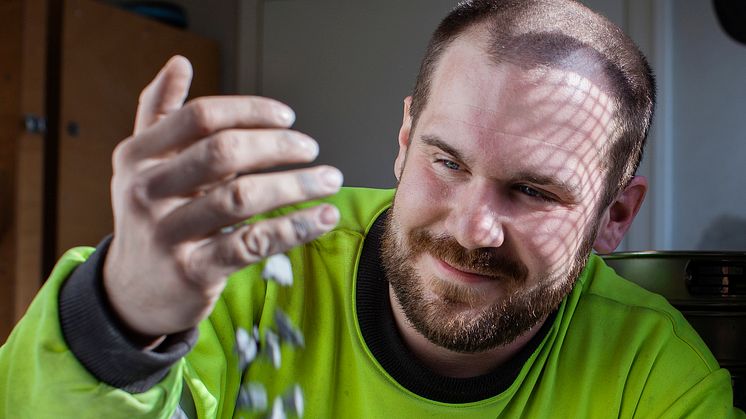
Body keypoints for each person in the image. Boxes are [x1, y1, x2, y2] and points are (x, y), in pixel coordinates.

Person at [1, 0, 743, 417]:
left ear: (616, 216)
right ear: (403, 140)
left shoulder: (652, 372)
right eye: (446, 161)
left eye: (532, 190)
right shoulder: (257, 267)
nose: (471, 227)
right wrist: (122, 323)